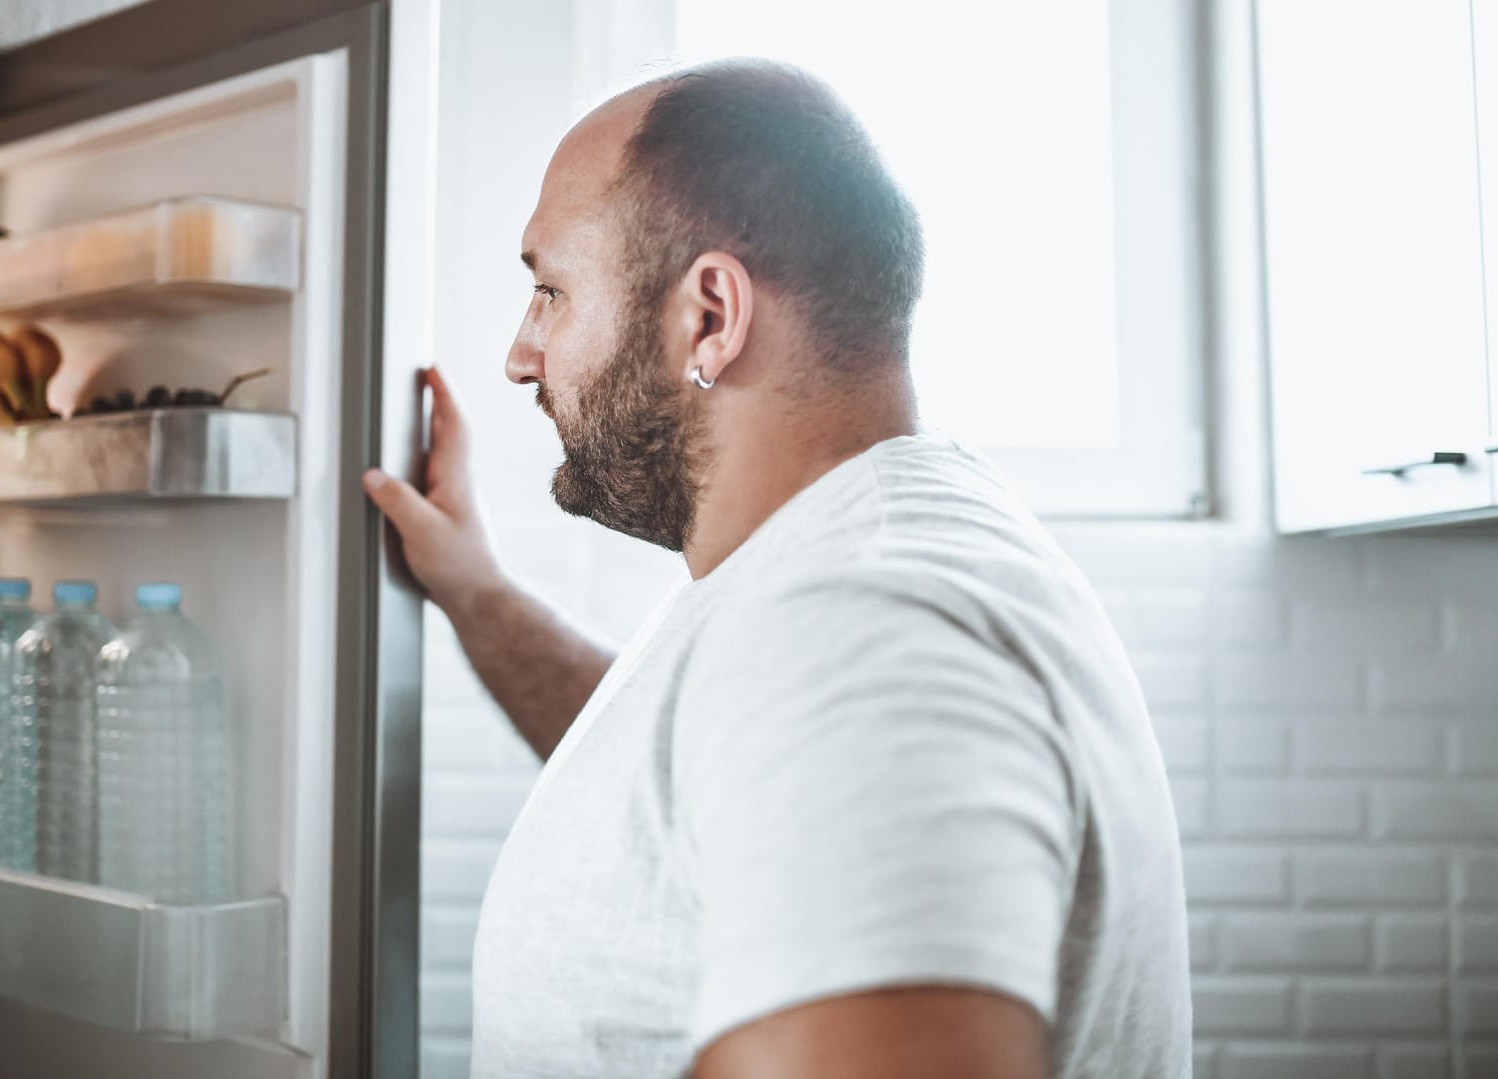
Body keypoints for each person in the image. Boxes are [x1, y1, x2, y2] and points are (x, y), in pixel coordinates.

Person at [362, 58, 1191, 1079]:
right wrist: (475, 592)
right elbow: (682, 786)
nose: (520, 356)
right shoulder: (828, 568)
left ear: (707, 314)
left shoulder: (861, 624)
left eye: (549, 290)